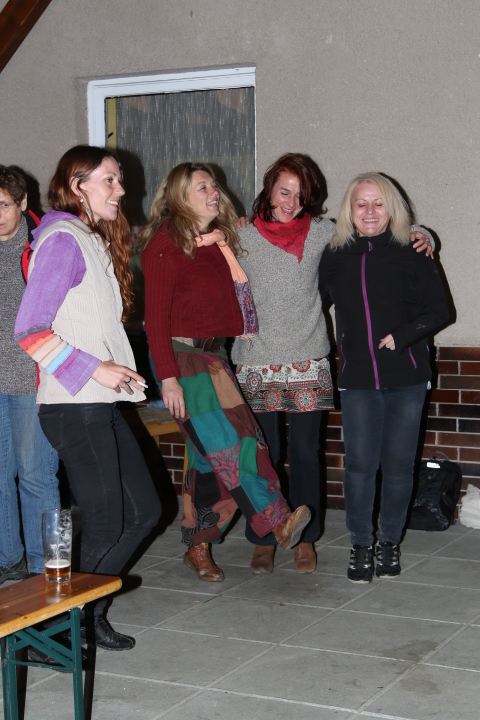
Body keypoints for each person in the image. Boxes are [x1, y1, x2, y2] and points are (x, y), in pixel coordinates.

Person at [232, 154, 433, 575]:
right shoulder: (241, 236)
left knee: (306, 453)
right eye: (283, 191)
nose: (290, 202)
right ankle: (264, 537)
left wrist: (423, 233)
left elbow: (377, 228)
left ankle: (305, 538)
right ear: (269, 190)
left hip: (308, 356)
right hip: (256, 359)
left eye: (300, 194)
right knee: (262, 454)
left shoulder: (324, 233)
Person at [14, 146, 161, 649]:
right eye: (109, 180)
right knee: (105, 521)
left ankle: (84, 614)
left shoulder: (88, 239)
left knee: (142, 512)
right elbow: (30, 331)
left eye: (118, 180)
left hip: (98, 403)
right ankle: (53, 630)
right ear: (77, 186)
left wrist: (111, 374)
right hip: (72, 406)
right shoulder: (62, 240)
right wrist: (97, 368)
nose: (121, 189)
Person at [141, 162, 311, 582]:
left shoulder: (218, 242)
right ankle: (277, 520)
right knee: (232, 446)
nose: (213, 192)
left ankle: (198, 545)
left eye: (214, 185)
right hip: (182, 359)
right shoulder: (165, 245)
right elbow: (155, 320)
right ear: (180, 196)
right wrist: (168, 378)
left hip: (215, 358)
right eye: (202, 187)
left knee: (209, 458)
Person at [319, 172, 450, 583]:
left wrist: (404, 336)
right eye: (362, 203)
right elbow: (310, 304)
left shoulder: (412, 251)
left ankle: (389, 542)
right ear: (350, 209)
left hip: (407, 376)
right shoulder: (335, 254)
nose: (370, 211)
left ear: (391, 208)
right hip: (357, 378)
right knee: (359, 467)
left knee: (397, 467)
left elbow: (440, 310)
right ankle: (361, 544)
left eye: (378, 203)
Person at [0, 165, 59, 585]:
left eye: (3, 205)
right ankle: (9, 559)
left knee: (35, 475)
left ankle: (45, 569)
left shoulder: (45, 246)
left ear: (22, 203)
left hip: (30, 380)